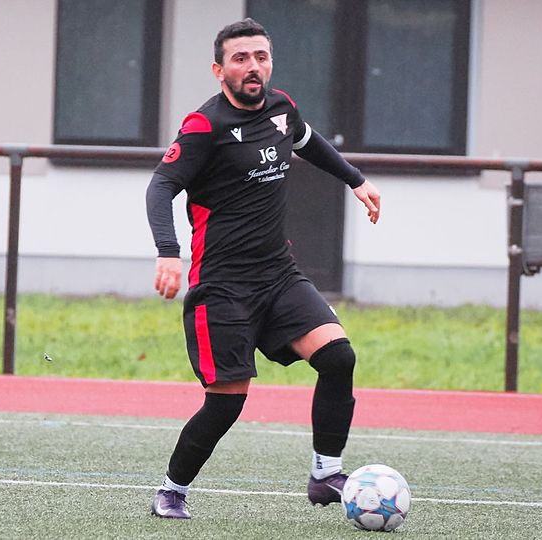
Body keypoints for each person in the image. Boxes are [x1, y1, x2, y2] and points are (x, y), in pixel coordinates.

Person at [145, 18, 381, 519]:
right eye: (240, 59)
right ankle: (172, 490)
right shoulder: (203, 126)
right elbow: (161, 186)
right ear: (219, 70)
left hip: (278, 275)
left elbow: (308, 141)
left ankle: (326, 474)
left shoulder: (281, 107)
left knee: (338, 358)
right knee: (226, 403)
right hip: (221, 288)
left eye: (261, 57)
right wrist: (168, 251)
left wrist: (355, 180)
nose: (253, 67)